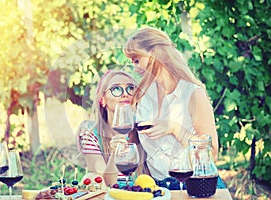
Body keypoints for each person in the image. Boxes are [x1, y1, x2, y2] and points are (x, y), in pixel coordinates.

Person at [123, 27, 226, 189]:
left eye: (137, 60)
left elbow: (211, 155)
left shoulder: (193, 94)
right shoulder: (143, 95)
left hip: (194, 186)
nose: (135, 68)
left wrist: (174, 128)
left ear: (155, 53)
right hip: (158, 188)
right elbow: (138, 142)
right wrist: (123, 143)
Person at [76, 70, 147, 186]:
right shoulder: (91, 135)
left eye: (130, 88)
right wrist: (114, 155)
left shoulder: (143, 129)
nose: (125, 94)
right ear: (102, 100)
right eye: (116, 89)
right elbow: (103, 184)